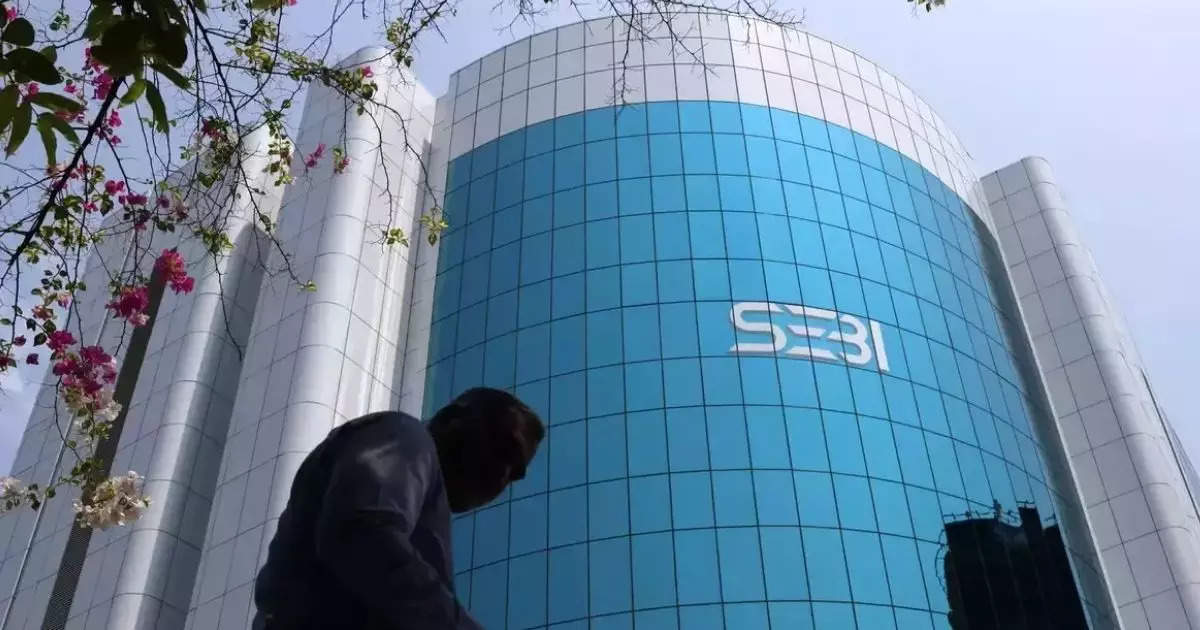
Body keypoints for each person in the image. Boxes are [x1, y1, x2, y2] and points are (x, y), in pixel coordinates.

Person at [252, 387, 545, 629]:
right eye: (503, 450)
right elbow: (362, 533)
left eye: (515, 474)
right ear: (453, 419)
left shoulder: (424, 522)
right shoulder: (406, 436)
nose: (504, 475)